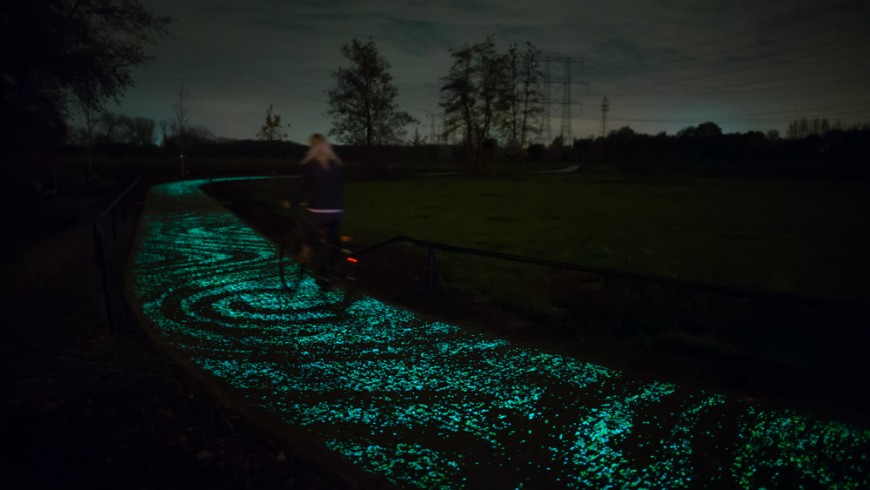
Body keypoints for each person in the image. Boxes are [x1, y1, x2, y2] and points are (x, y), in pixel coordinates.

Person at [291, 133, 344, 263]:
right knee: (331, 238)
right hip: (337, 210)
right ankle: (331, 265)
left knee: (302, 224)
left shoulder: (310, 165)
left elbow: (302, 188)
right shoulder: (337, 164)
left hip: (318, 210)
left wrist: (293, 202)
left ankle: (306, 251)